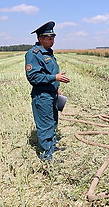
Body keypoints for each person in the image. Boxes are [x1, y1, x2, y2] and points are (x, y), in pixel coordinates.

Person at [25, 21, 70, 161]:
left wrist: (57, 88)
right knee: (45, 125)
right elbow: (33, 77)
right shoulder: (34, 54)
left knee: (53, 122)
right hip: (42, 96)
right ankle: (46, 157)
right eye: (49, 39)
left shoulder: (48, 53)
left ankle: (52, 147)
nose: (53, 41)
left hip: (52, 94)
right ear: (40, 39)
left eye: (53, 38)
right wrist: (54, 77)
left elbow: (49, 72)